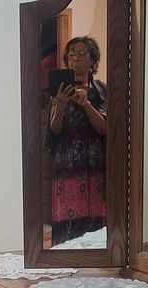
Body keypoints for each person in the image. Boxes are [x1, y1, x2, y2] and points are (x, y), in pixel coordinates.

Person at [46, 35, 107, 246]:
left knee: (95, 215)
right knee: (68, 215)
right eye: (71, 55)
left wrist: (86, 105)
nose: (76, 58)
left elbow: (104, 128)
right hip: (67, 163)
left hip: (94, 162)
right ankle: (66, 256)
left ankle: (94, 257)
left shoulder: (101, 90)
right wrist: (61, 104)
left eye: (82, 53)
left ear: (93, 60)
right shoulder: (59, 92)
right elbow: (55, 130)